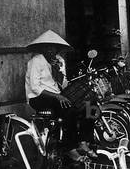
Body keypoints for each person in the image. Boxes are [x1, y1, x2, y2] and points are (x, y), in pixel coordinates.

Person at [24, 30, 94, 162]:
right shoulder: (36, 61)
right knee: (70, 110)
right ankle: (70, 148)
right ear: (42, 48)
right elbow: (35, 87)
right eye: (48, 47)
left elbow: (63, 85)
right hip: (38, 97)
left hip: (57, 95)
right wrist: (58, 97)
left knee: (90, 106)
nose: (51, 50)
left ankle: (84, 141)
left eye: (54, 47)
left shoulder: (59, 60)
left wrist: (59, 71)